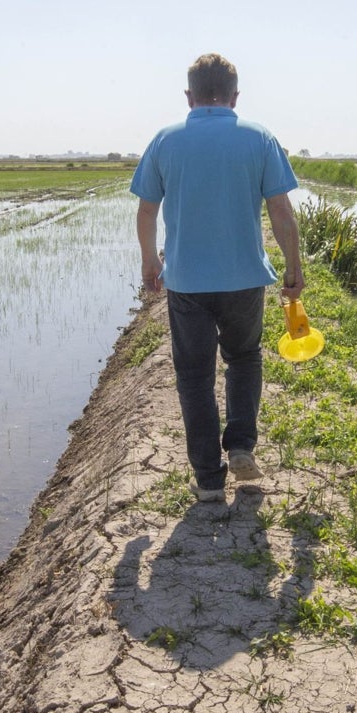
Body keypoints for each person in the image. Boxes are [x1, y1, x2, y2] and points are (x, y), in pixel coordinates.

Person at [131, 52, 304, 502]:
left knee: (194, 376)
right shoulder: (259, 137)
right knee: (244, 358)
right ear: (235, 96)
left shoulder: (166, 140)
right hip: (245, 277)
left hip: (187, 281)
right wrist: (293, 268)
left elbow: (147, 210)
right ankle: (242, 444)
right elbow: (280, 210)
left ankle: (209, 478)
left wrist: (151, 262)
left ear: (189, 96)